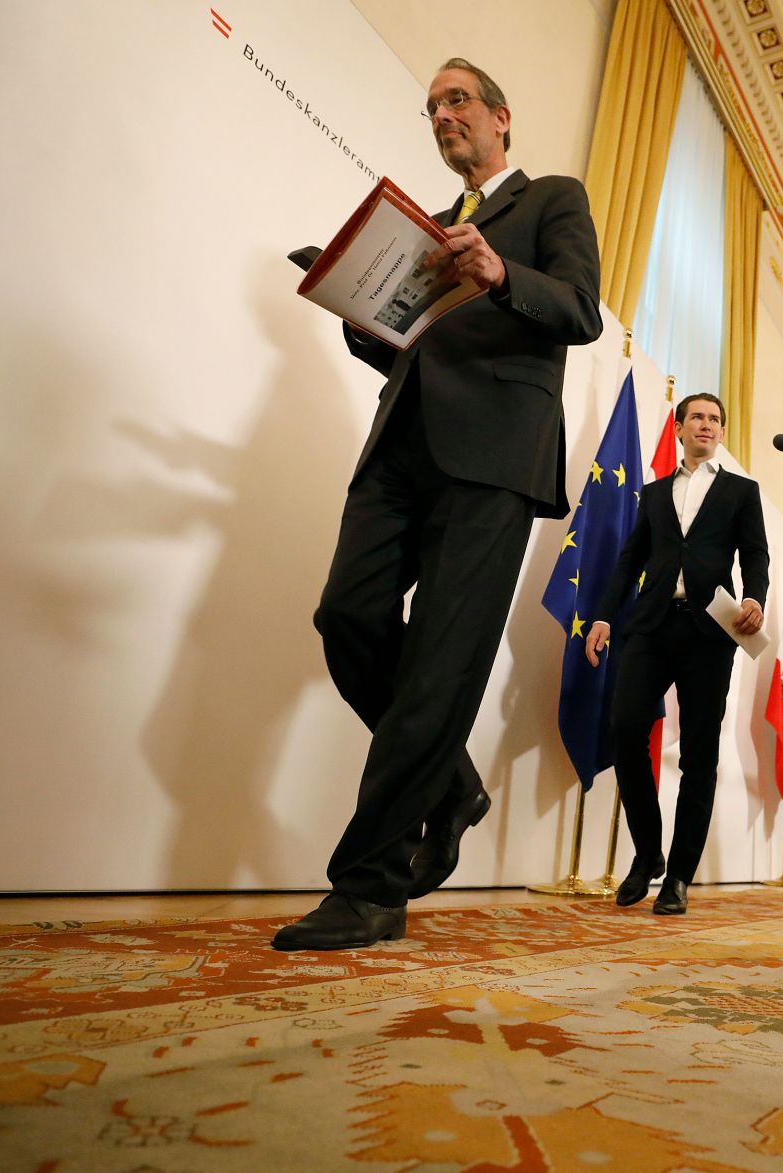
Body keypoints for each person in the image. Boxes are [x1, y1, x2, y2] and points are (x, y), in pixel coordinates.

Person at [273, 60, 602, 950]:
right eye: (430, 108)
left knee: (439, 664)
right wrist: (361, 312)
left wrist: (500, 272)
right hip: (400, 446)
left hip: (494, 456)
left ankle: (371, 886)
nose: (441, 116)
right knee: (346, 617)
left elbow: (580, 311)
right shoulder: (426, 225)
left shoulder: (551, 199)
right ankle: (451, 782)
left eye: (456, 101)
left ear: (501, 116)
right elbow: (412, 349)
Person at [584, 393, 768, 916]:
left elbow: (756, 552)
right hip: (651, 626)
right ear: (680, 427)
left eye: (715, 418)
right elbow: (629, 561)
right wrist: (602, 615)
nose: (707, 425)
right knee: (624, 729)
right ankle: (647, 854)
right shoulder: (655, 493)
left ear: (722, 432)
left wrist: (754, 596)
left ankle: (680, 875)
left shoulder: (741, 492)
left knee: (699, 756)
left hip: (711, 632)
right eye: (698, 418)